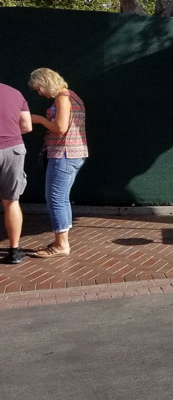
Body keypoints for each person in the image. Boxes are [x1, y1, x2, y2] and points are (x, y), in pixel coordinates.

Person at [28, 68, 88, 258]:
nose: (39, 93)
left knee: (55, 198)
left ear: (46, 82)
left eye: (39, 88)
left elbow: (60, 128)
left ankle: (62, 244)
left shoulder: (63, 98)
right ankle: (61, 240)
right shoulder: (72, 96)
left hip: (64, 153)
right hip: (73, 153)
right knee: (61, 198)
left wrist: (38, 119)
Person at [0, 81, 32, 264]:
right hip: (13, 149)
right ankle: (14, 251)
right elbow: (27, 126)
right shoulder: (15, 93)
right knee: (11, 201)